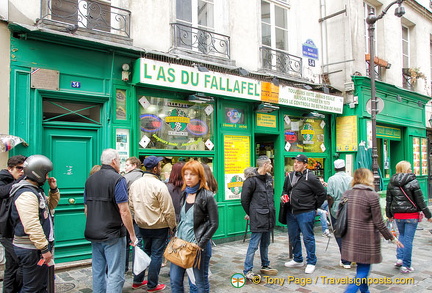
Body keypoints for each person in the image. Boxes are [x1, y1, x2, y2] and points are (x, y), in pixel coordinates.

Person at [84, 149, 137, 293]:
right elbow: (124, 211)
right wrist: (132, 234)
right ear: (114, 161)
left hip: (94, 232)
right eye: (119, 160)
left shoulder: (90, 180)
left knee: (98, 271)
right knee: (115, 273)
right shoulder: (117, 179)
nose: (119, 164)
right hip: (112, 233)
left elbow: (87, 209)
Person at [342, 168, 403, 293]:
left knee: (361, 268)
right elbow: (379, 222)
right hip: (366, 239)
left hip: (350, 237)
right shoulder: (372, 195)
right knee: (363, 271)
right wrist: (392, 238)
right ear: (368, 178)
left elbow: (339, 214)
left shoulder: (347, 194)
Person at [10, 155, 60, 292]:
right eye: (46, 173)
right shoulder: (26, 193)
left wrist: (54, 190)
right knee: (32, 288)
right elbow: (31, 224)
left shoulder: (35, 190)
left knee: (40, 285)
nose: (47, 176)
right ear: (38, 172)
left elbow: (49, 206)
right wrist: (44, 248)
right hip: (31, 248)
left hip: (35, 248)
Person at [169, 160, 218, 293]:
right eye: (186, 174)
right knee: (174, 280)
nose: (188, 177)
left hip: (197, 247)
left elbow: (214, 223)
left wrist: (200, 244)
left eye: (192, 174)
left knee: (199, 282)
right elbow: (183, 218)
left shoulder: (207, 196)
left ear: (200, 176)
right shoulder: (184, 193)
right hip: (180, 244)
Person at [129, 156, 176, 292]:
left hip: (142, 225)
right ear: (155, 168)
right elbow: (168, 209)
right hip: (158, 226)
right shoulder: (159, 185)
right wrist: (172, 226)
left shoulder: (135, 184)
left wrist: (138, 217)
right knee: (156, 254)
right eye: (160, 166)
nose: (161, 168)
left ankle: (137, 280)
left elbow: (131, 204)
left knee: (144, 251)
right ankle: (152, 284)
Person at [282, 154, 326, 274]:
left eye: (299, 162)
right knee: (293, 236)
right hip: (291, 212)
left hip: (306, 212)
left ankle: (311, 261)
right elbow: (285, 189)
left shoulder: (311, 178)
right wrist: (283, 196)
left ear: (305, 165)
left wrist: (314, 206)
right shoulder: (289, 176)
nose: (295, 164)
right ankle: (298, 259)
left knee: (308, 237)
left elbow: (322, 193)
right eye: (295, 162)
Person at [385, 160, 432, 273]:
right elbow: (420, 201)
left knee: (402, 236)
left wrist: (389, 215)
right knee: (408, 240)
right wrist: (428, 215)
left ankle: (400, 259)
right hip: (411, 215)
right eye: (409, 168)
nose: (411, 169)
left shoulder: (392, 182)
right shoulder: (413, 181)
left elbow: (389, 201)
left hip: (398, 215)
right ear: (406, 169)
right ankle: (406, 265)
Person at [241, 156, 277, 281]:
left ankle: (265, 264)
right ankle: (247, 270)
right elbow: (244, 200)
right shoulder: (251, 181)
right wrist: (251, 213)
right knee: (254, 244)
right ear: (265, 165)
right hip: (258, 217)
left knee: (265, 243)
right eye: (270, 164)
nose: (272, 166)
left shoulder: (268, 178)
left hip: (268, 216)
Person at [0, 155, 26, 292]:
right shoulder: (2, 178)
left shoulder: (12, 179)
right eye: (19, 168)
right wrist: (23, 179)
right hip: (6, 230)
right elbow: (3, 192)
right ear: (10, 168)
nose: (22, 171)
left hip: (10, 229)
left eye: (24, 169)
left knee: (10, 266)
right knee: (22, 263)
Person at [123, 156, 146, 289]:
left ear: (134, 165)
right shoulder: (144, 178)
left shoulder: (125, 178)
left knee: (126, 243)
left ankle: (125, 267)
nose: (125, 167)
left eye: (127, 165)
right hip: (140, 216)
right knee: (138, 243)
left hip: (127, 216)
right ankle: (138, 272)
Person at [326, 159, 353, 269]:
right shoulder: (351, 178)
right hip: (349, 206)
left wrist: (330, 206)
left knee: (338, 232)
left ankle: (345, 258)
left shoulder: (332, 179)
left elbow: (329, 196)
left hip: (336, 207)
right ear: (344, 168)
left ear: (335, 168)